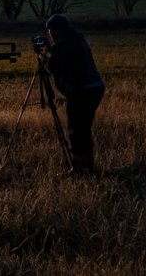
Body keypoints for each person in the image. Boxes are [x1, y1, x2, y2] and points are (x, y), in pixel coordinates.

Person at [44, 13, 106, 175]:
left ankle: (80, 168)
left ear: (54, 31)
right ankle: (86, 167)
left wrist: (45, 56)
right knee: (83, 129)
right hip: (94, 87)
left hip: (81, 90)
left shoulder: (63, 44)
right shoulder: (77, 38)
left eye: (50, 32)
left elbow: (53, 67)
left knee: (76, 130)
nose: (49, 35)